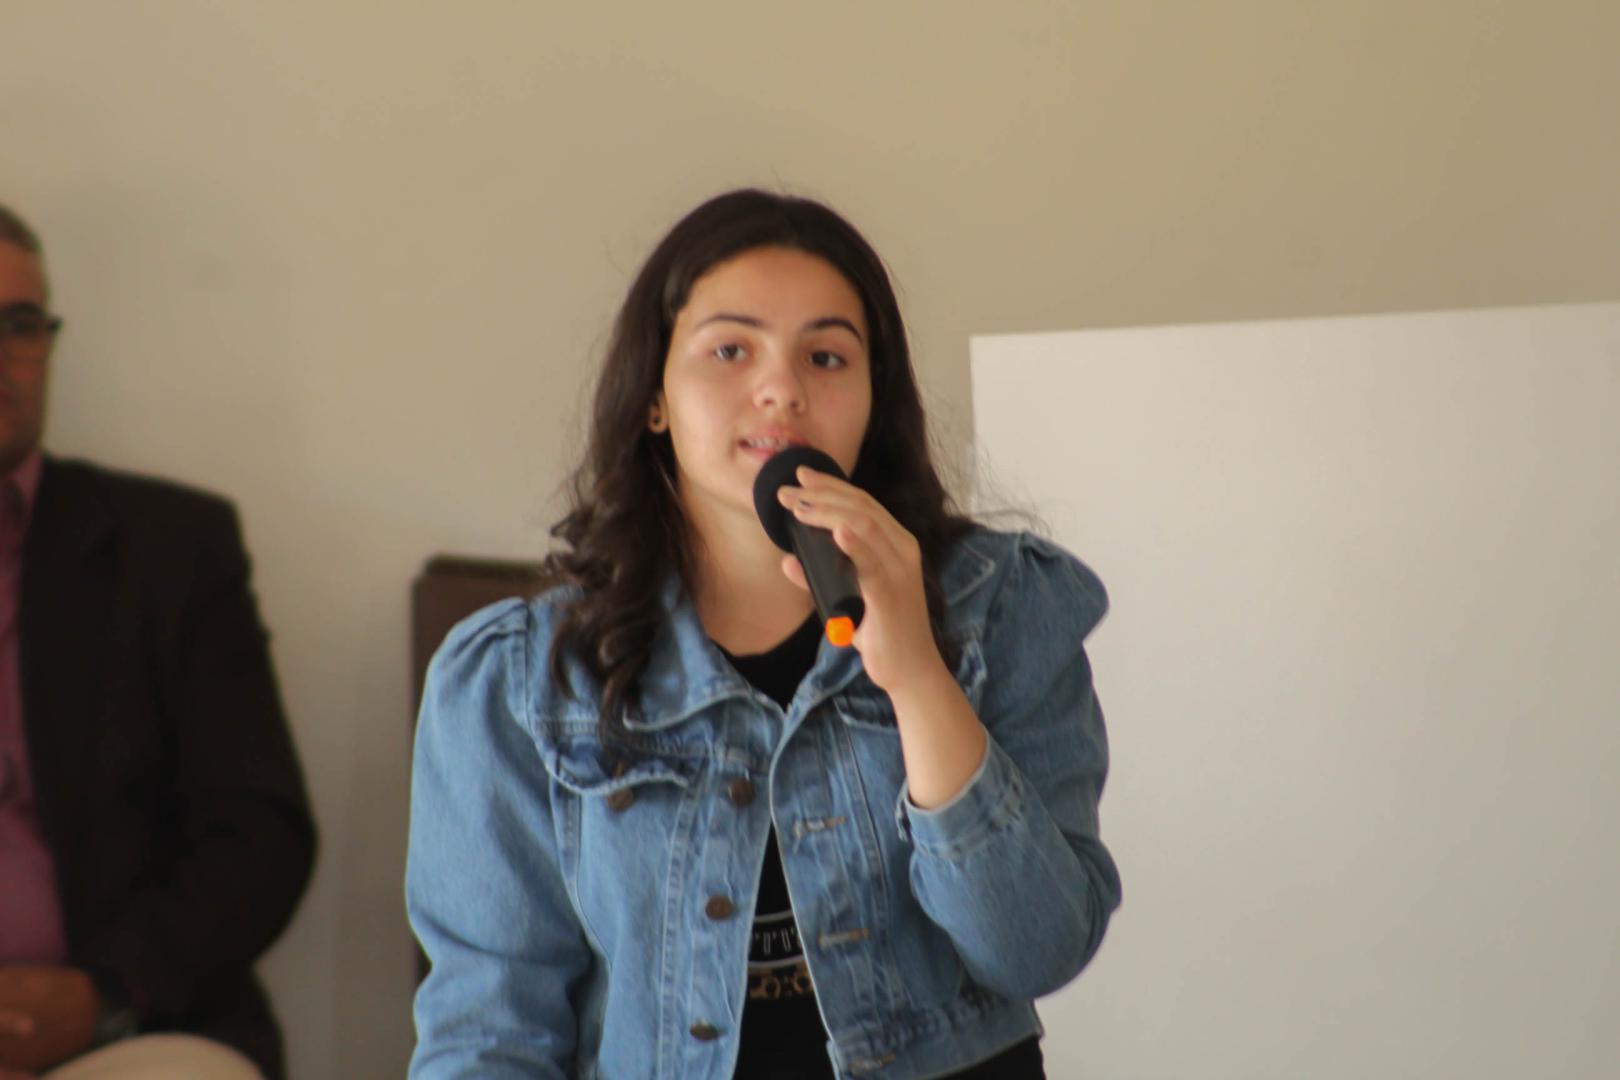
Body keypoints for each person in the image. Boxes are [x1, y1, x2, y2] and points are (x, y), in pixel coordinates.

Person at [406, 189, 1121, 1079]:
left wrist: (917, 677)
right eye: (730, 349)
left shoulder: (1002, 605)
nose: (783, 389)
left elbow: (1036, 951)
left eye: (826, 356)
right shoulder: (519, 679)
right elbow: (490, 1032)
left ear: (872, 399)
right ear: (655, 397)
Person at [0, 203, 316, 1079]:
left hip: (118, 1033)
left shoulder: (168, 549)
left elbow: (259, 832)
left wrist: (101, 992)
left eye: (19, 324)